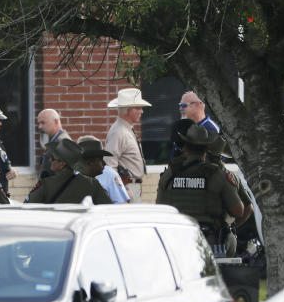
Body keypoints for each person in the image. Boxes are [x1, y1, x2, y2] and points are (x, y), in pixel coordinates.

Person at [156, 122, 244, 251]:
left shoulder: (170, 174)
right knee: (231, 238)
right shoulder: (217, 174)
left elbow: (160, 208)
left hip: (177, 242)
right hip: (211, 243)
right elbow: (238, 211)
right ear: (207, 149)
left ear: (185, 147)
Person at [26, 138, 112, 205]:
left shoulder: (46, 184)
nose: (49, 160)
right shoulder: (92, 184)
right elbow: (108, 210)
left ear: (62, 164)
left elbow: (27, 208)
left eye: (52, 158)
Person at [104, 88, 151, 202]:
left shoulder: (125, 129)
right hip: (127, 189)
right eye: (138, 108)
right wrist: (121, 189)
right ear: (128, 110)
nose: (142, 111)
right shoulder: (118, 132)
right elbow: (109, 165)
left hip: (131, 187)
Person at [75, 136, 130, 204]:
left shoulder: (110, 175)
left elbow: (122, 205)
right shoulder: (73, 176)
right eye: (100, 159)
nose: (104, 163)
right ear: (90, 162)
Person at [36, 108, 71, 179]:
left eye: (43, 123)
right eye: (38, 123)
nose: (39, 127)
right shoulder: (55, 141)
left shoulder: (61, 143)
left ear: (56, 122)